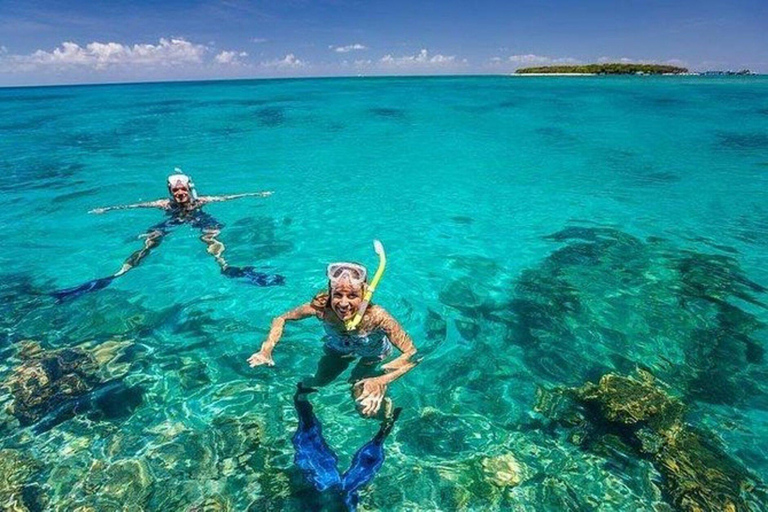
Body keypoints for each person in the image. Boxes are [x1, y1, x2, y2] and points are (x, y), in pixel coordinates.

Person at [52, 171, 284, 301]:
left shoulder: (201, 201)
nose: (180, 193)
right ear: (171, 192)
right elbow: (136, 205)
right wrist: (108, 210)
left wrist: (257, 193)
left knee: (211, 238)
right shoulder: (164, 204)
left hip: (198, 219)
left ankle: (225, 267)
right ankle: (119, 273)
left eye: (183, 190)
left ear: (190, 189)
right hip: (173, 220)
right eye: (176, 191)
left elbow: (229, 197)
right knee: (150, 241)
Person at [248, 241, 418, 419]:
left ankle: (384, 408)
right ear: (330, 293)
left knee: (363, 404)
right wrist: (266, 349)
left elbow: (412, 353)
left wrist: (382, 380)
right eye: (338, 295)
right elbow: (281, 318)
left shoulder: (378, 317)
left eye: (352, 296)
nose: (343, 303)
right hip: (337, 349)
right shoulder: (322, 309)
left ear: (365, 295)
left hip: (371, 355)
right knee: (319, 382)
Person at [292, 383, 401, 511]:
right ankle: (383, 432)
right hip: (338, 495)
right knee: (361, 472)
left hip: (324, 488)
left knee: (310, 447)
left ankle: (302, 403)